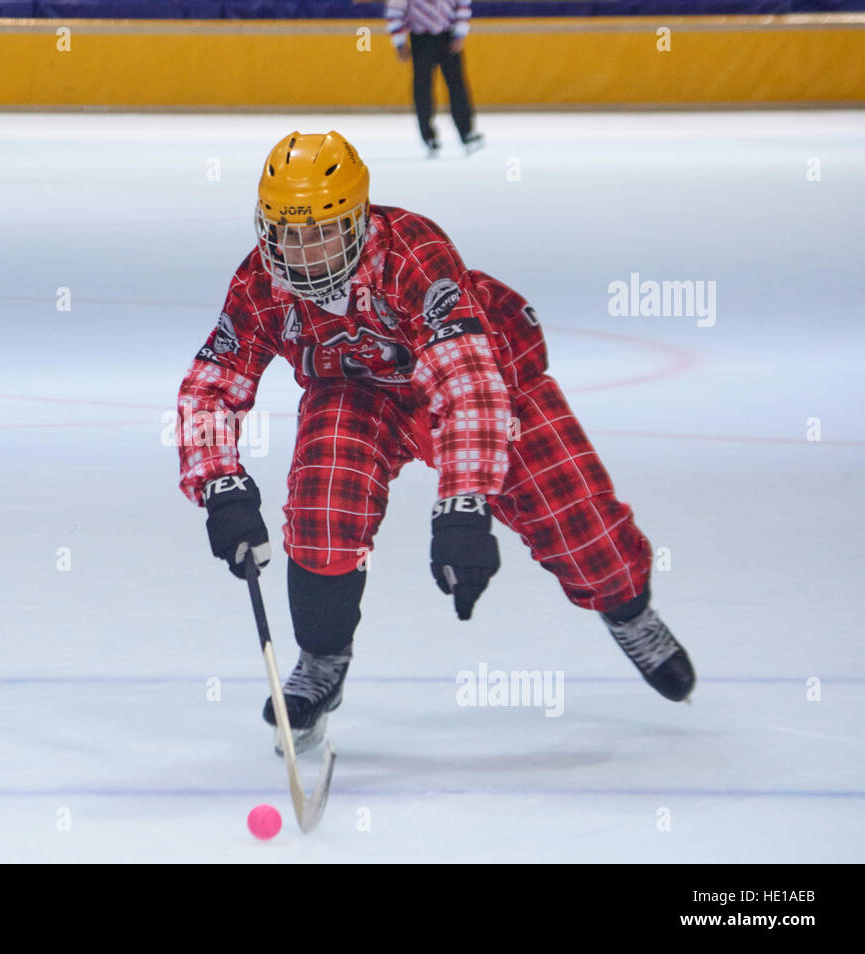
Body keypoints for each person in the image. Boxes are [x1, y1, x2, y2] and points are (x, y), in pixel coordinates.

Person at [175, 131, 695, 754]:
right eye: (289, 233)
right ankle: (322, 659)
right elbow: (212, 383)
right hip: (357, 392)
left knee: (579, 520)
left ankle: (628, 609)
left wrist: (462, 507)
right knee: (322, 506)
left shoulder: (413, 251)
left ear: (358, 219)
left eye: (322, 232)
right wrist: (221, 485)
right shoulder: (261, 283)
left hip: (483, 381)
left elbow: (466, 379)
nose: (304, 253)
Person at [385, 0, 484, 156]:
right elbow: (395, 10)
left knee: (457, 85)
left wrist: (459, 34)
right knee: (422, 87)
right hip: (421, 38)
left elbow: (463, 6)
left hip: (448, 36)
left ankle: (467, 132)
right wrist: (399, 42)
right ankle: (428, 136)